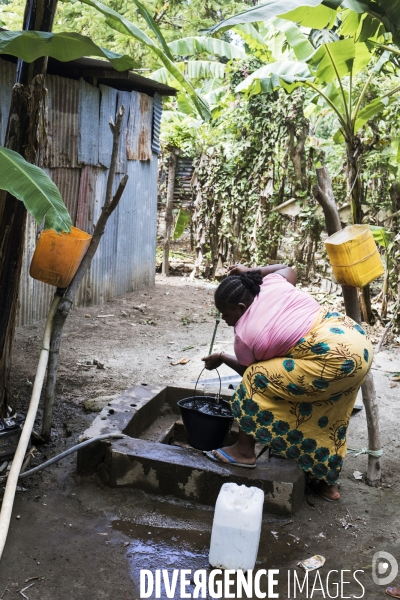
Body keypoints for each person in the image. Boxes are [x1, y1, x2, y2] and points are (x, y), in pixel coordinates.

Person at [202, 263, 373, 502]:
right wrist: (249, 271)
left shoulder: (244, 336)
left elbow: (250, 371)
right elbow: (287, 268)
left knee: (256, 378)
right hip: (355, 343)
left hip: (332, 358)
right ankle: (327, 482)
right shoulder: (272, 283)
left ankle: (243, 451)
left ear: (241, 308)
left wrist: (221, 358)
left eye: (226, 313)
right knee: (331, 410)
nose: (223, 318)